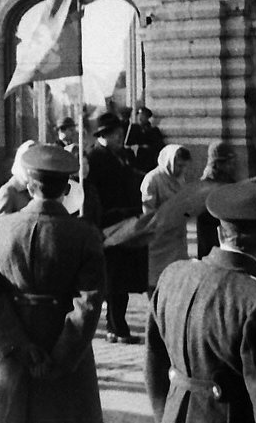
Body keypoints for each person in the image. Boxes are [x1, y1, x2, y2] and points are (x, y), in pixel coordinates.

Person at [0, 144, 106, 423]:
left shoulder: (0, 228)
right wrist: (63, 356)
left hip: (13, 346)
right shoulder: (85, 234)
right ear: (66, 188)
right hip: (65, 349)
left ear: (29, 186)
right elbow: (89, 303)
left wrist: (16, 344)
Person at [145, 181, 256, 422]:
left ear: (221, 233)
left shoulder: (172, 275)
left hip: (175, 412)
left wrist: (165, 412)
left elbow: (154, 363)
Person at [86, 111, 147, 343]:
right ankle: (116, 327)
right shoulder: (95, 158)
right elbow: (93, 195)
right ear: (104, 135)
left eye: (121, 133)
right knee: (114, 280)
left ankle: (117, 325)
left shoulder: (120, 155)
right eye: (116, 134)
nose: (121, 137)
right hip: (108, 225)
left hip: (126, 222)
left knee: (121, 278)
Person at [142, 143, 192, 291]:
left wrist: (187, 212)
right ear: (169, 161)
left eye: (184, 166)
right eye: (179, 165)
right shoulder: (153, 179)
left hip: (177, 238)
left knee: (177, 278)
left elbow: (186, 202)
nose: (182, 169)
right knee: (157, 279)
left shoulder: (180, 179)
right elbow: (148, 211)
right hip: (159, 239)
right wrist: (166, 218)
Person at [193, 141, 239, 258]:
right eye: (229, 163)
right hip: (211, 234)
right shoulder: (206, 184)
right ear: (217, 164)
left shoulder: (228, 180)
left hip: (225, 234)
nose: (232, 166)